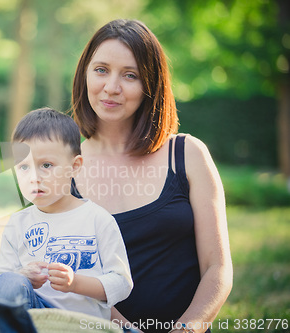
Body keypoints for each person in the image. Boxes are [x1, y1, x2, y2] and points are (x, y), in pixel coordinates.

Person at [70, 19, 233, 333]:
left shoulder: (187, 154)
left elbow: (217, 268)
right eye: (101, 70)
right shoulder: (64, 171)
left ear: (151, 85)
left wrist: (188, 328)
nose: (112, 87)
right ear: (84, 74)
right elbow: (72, 285)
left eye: (130, 75)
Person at [0, 108, 133, 320]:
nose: (34, 177)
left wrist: (76, 283)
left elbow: (122, 283)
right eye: (23, 167)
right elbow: (0, 284)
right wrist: (22, 276)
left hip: (82, 322)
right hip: (32, 319)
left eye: (46, 165)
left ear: (74, 167)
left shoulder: (97, 219)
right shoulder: (18, 223)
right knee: (9, 281)